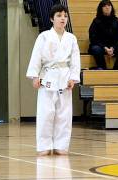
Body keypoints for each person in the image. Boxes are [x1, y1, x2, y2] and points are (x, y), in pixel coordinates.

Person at [26, 4, 80, 156]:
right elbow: (36, 56)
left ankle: (61, 145)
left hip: (65, 76)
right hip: (47, 76)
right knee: (46, 112)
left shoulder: (71, 38)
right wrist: (35, 76)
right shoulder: (43, 36)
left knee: (64, 113)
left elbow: (75, 60)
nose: (63, 18)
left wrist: (74, 78)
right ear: (52, 19)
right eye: (59, 16)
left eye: (65, 16)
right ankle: (44, 145)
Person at [88, 0, 118, 70]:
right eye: (104, 6)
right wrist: (105, 48)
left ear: (112, 7)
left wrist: (112, 48)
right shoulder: (96, 20)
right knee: (96, 49)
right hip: (100, 47)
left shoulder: (117, 20)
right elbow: (93, 38)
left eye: (109, 5)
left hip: (112, 47)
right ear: (101, 8)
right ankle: (102, 68)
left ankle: (116, 69)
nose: (107, 7)